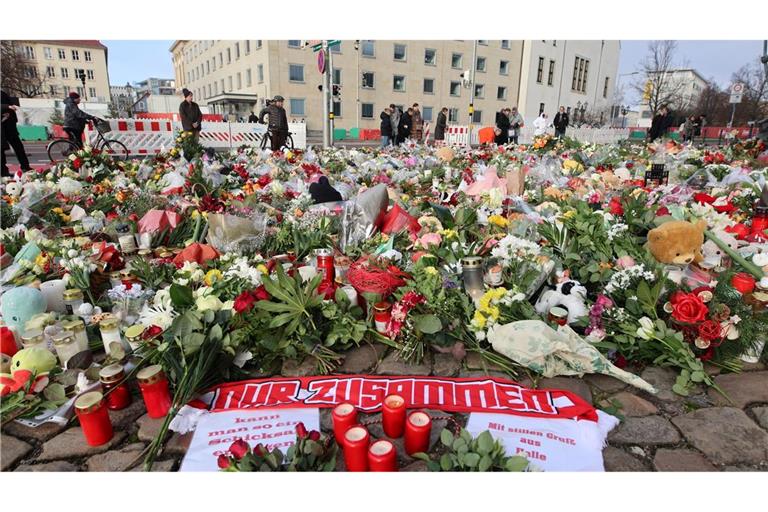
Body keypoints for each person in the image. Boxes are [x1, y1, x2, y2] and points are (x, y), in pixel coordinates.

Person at [1, 90, 32, 177]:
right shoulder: (3, 94)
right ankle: (3, 171)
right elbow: (7, 105)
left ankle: (25, 167)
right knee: (2, 151)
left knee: (19, 148)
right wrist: (7, 107)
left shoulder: (3, 93)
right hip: (3, 128)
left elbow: (11, 104)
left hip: (10, 126)